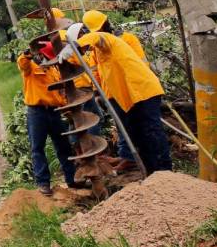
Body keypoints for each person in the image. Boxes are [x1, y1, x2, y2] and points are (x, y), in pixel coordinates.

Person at [71, 21, 172, 174]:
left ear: (84, 35)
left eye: (82, 42)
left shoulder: (107, 39)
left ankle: (165, 171)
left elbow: (97, 36)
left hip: (143, 90)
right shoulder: (97, 52)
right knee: (139, 135)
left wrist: (76, 45)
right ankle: (153, 173)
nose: (84, 50)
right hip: (131, 97)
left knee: (152, 132)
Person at [17, 44, 85, 196]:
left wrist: (67, 108)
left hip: (54, 111)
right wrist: (27, 54)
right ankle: (43, 183)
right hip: (37, 112)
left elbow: (59, 93)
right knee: (37, 148)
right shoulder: (31, 67)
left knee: (63, 146)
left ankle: (71, 179)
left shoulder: (54, 71)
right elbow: (22, 63)